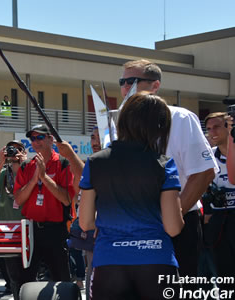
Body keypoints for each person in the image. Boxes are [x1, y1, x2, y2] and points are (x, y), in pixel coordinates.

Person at [79, 92, 184, 299]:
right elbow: (173, 228)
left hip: (109, 262)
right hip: (156, 260)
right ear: (159, 127)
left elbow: (85, 222)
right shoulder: (164, 164)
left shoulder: (95, 162)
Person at [120, 59, 216, 278]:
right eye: (123, 81)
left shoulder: (180, 118)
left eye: (133, 81)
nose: (127, 87)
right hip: (134, 225)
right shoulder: (120, 123)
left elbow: (203, 172)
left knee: (177, 288)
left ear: (155, 85)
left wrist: (172, 217)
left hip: (177, 224)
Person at [10, 124, 74, 299]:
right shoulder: (26, 167)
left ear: (50, 139)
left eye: (40, 137)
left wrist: (44, 178)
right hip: (30, 231)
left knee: (61, 281)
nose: (35, 142)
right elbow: (18, 199)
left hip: (55, 230)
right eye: (33, 138)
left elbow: (67, 199)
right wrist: (34, 180)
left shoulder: (63, 163)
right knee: (24, 280)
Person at [0, 140, 28, 295]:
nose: (14, 153)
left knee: (28, 273)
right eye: (11, 149)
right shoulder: (5, 172)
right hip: (7, 228)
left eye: (18, 149)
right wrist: (1, 162)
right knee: (13, 275)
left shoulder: (29, 169)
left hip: (26, 227)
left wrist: (24, 163)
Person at [202, 112, 235, 291]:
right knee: (224, 276)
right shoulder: (208, 158)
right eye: (208, 129)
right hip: (219, 220)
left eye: (216, 127)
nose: (212, 132)